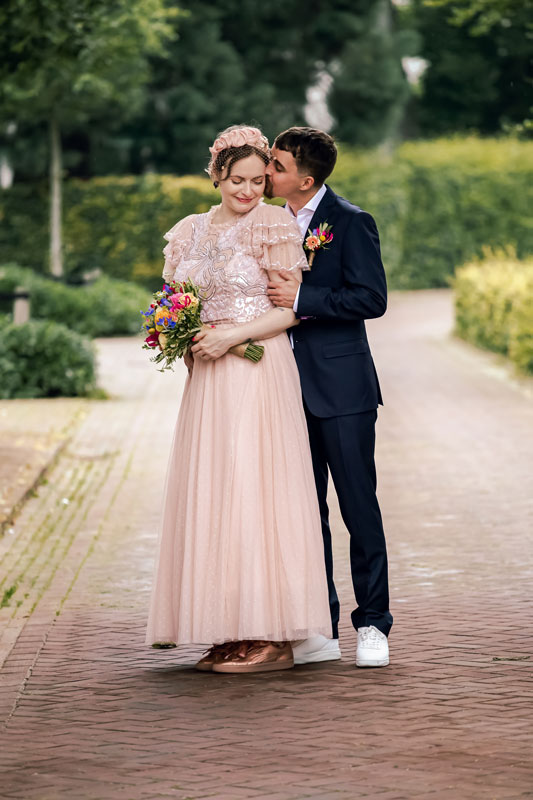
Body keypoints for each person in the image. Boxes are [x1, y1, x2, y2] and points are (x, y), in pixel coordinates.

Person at [145, 125, 332, 674]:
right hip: (207, 380)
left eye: (258, 180)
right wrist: (180, 338)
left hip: (257, 369)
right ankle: (228, 631)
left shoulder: (273, 225)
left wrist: (233, 335)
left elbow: (292, 308)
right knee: (215, 494)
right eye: (237, 181)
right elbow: (174, 302)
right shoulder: (188, 232)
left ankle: (272, 635)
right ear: (216, 177)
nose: (250, 191)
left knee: (256, 492)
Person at [265, 126, 393, 668]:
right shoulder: (266, 224)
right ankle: (321, 628)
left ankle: (373, 625)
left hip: (342, 390)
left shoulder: (350, 222)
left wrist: (302, 297)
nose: (266, 172)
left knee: (356, 506)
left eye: (275, 164)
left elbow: (371, 297)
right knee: (303, 511)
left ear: (305, 178)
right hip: (279, 389)